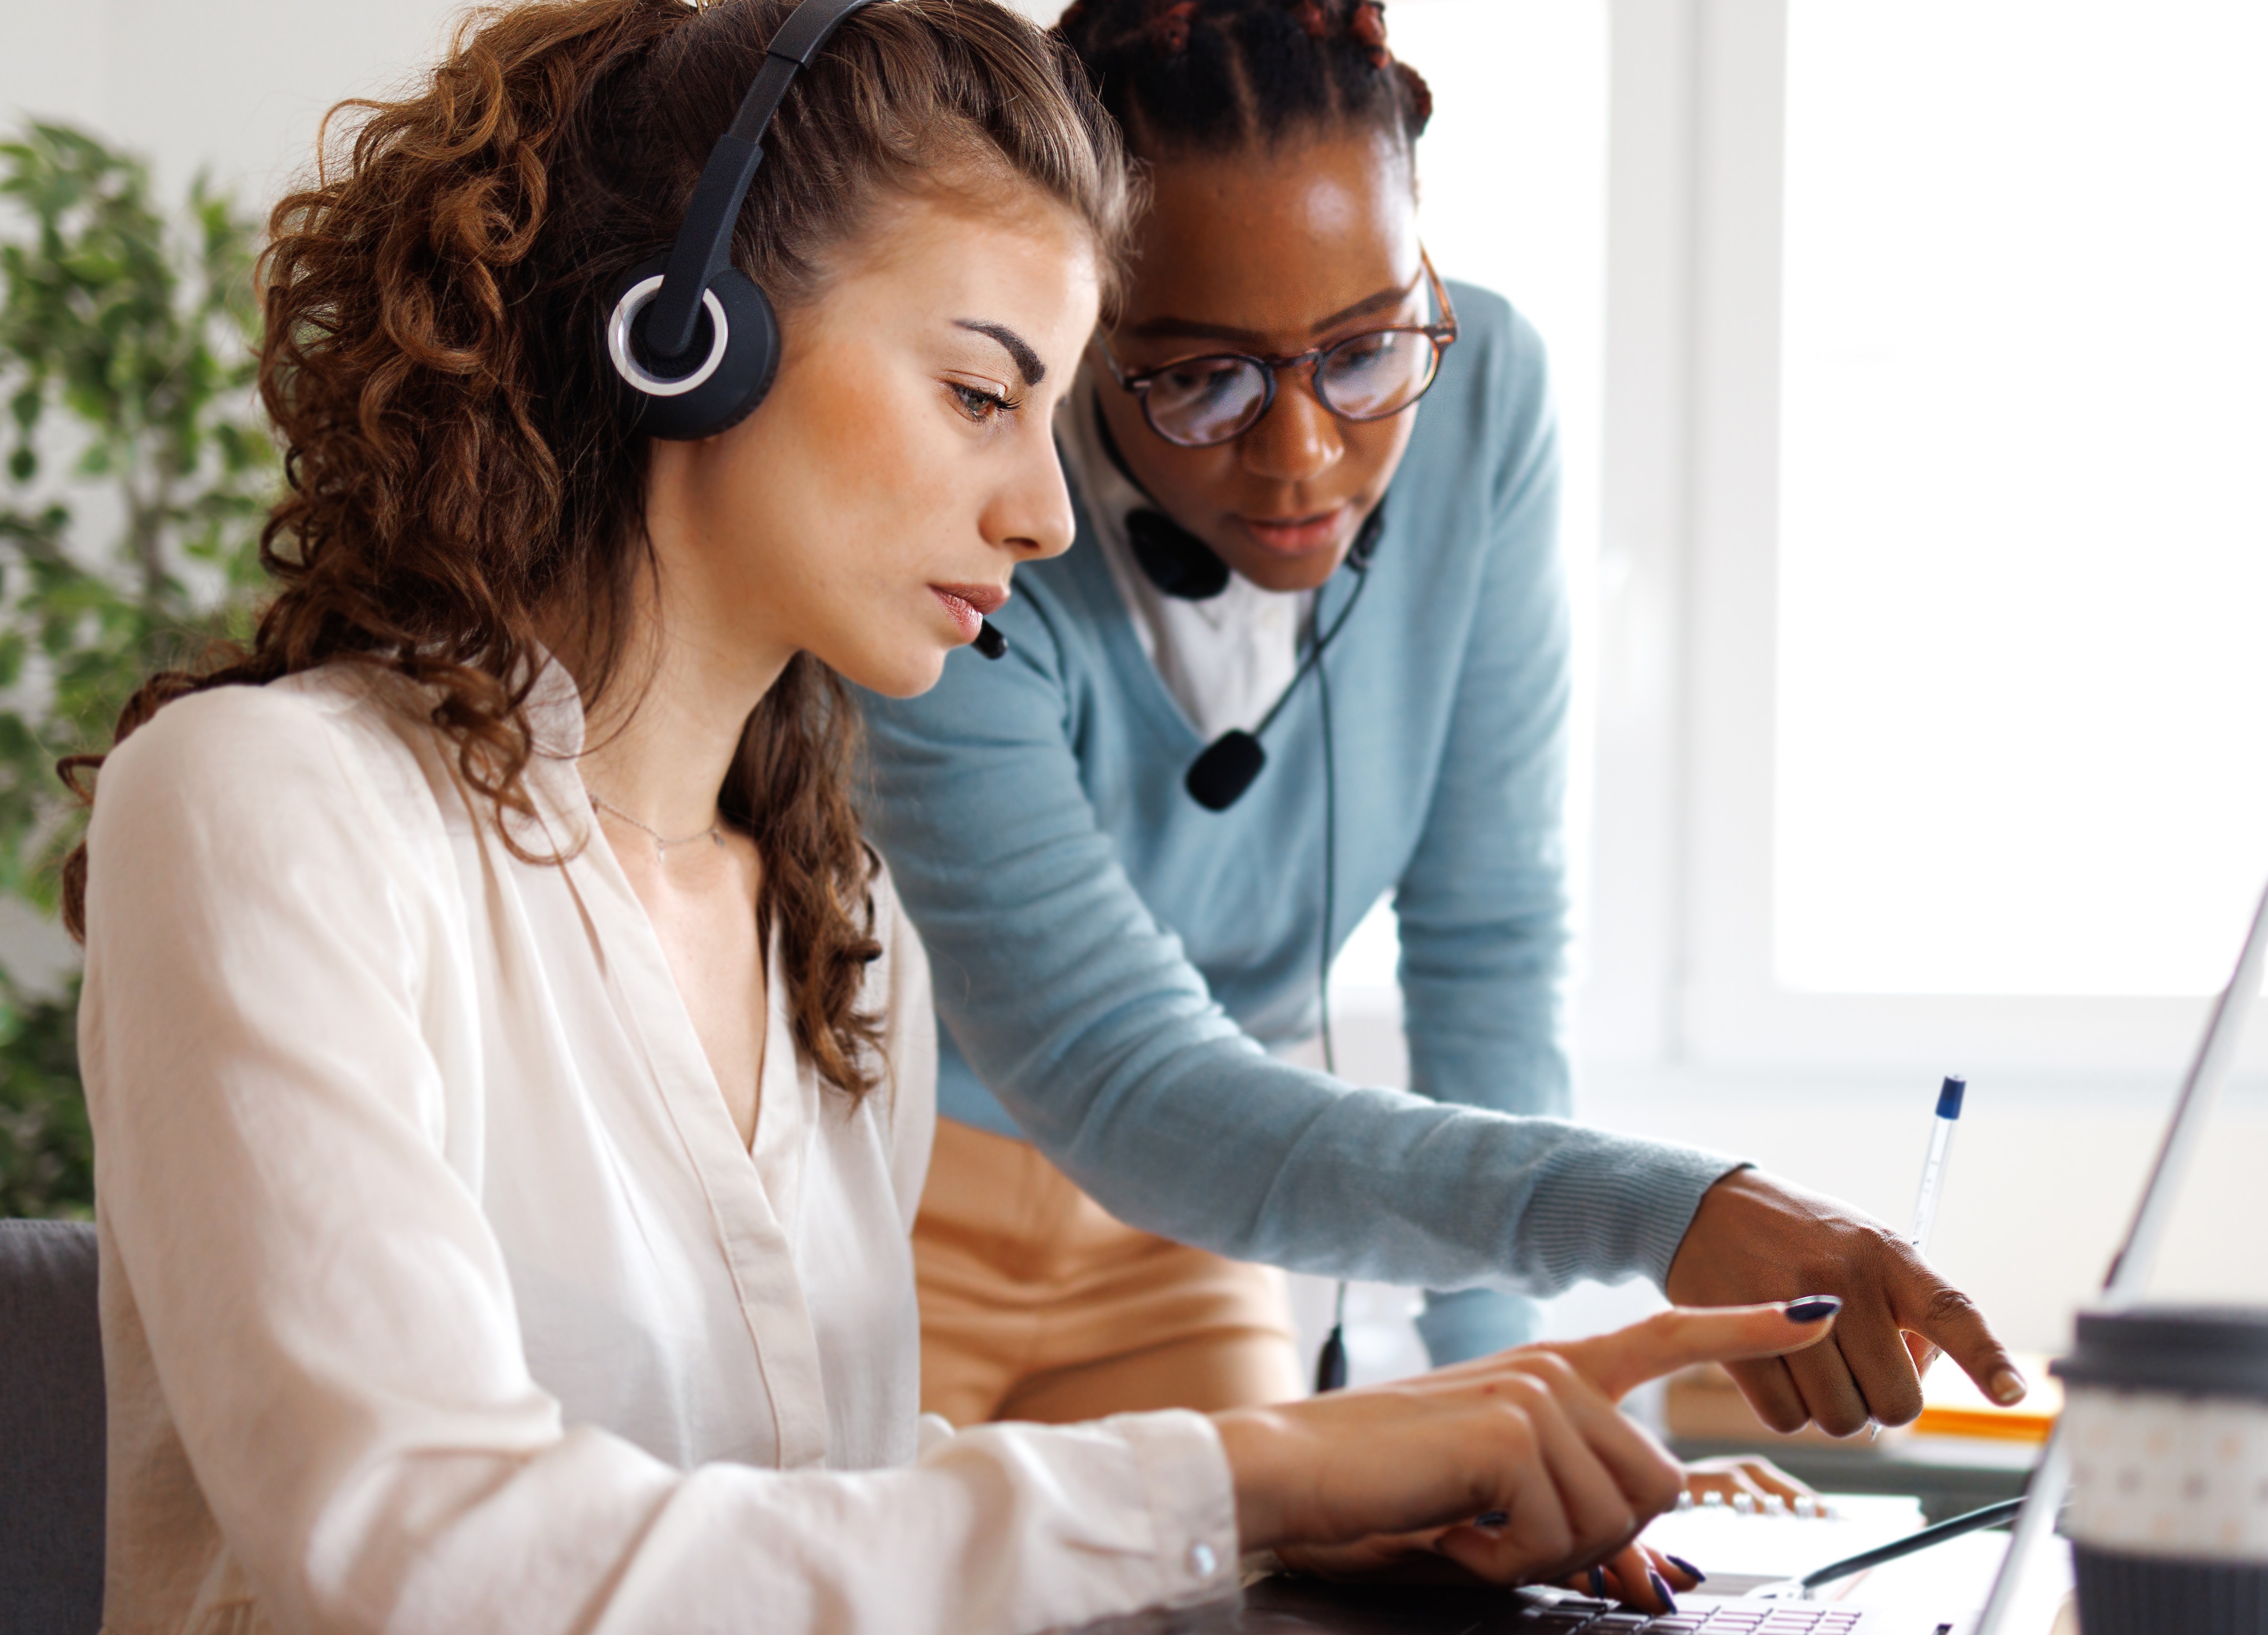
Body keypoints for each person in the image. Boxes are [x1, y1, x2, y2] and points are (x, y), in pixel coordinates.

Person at [66, 3, 1843, 1629]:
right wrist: (1248, 1468)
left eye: (1053, 413)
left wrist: (1284, 1517)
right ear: (692, 340)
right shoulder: (268, 808)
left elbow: (789, 1513)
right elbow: (429, 1549)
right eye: (982, 394)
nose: (1046, 515)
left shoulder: (828, 917)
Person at [859, 0, 2020, 1471]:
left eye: (1362, 352)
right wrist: (1666, 1212)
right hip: (900, 1184)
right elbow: (1116, 1069)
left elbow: (1489, 945)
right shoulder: (968, 498)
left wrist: (1542, 1397)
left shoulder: (1487, 404)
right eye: (1201, 376)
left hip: (1179, 1222)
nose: (1305, 455)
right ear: (1085, 328)